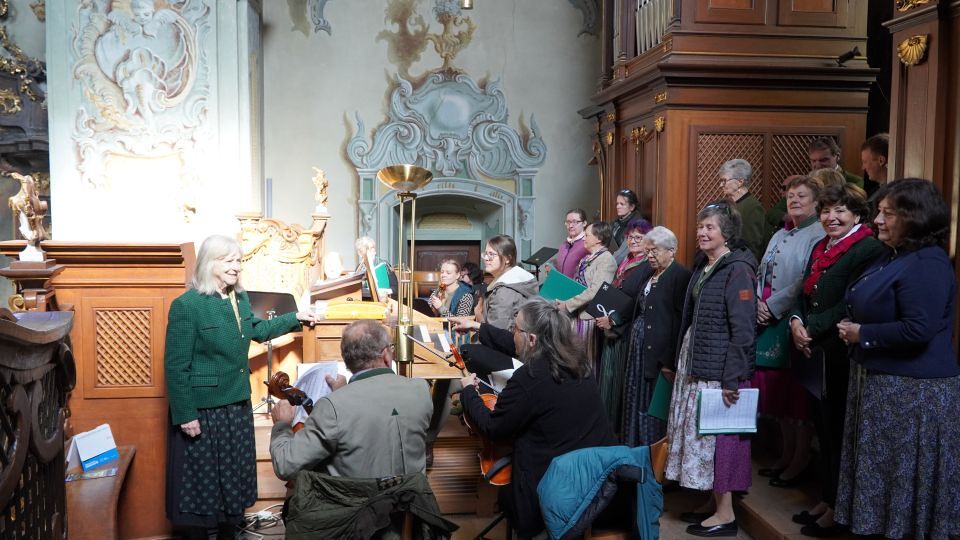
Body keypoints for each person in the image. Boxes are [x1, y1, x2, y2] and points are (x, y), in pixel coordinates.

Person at [164, 235, 318, 540]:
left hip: (236, 403)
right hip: (204, 410)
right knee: (202, 483)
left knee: (233, 478)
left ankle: (229, 532)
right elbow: (176, 366)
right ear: (210, 263)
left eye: (238, 260)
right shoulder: (187, 306)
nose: (236, 266)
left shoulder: (239, 298)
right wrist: (186, 414)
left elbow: (256, 329)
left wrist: (295, 318)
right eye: (229, 261)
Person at [833, 179, 960, 540]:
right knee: (883, 481)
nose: (877, 220)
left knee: (902, 487)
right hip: (885, 387)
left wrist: (863, 333)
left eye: (888, 213)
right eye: (879, 211)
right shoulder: (894, 255)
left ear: (915, 217)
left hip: (913, 394)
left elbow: (919, 329)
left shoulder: (928, 262)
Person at [459, 298, 615, 537]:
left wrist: (469, 391)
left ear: (532, 339)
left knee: (506, 486)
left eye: (515, 329)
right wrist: (478, 327)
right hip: (595, 483)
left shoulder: (529, 377)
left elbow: (493, 428)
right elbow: (516, 345)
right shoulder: (579, 362)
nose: (512, 334)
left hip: (550, 491)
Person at [788, 183, 882, 536]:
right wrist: (796, 321)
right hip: (815, 350)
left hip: (841, 351)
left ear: (857, 214)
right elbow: (804, 291)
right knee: (823, 429)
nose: (832, 217)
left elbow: (851, 301)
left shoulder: (867, 248)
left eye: (840, 210)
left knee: (839, 432)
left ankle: (839, 508)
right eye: (826, 210)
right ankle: (827, 497)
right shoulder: (821, 245)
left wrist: (810, 327)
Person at [665, 202, 757, 538]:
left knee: (718, 442)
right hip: (698, 360)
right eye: (700, 227)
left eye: (710, 228)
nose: (702, 233)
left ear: (726, 233)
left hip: (719, 371)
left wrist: (732, 378)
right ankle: (712, 503)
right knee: (702, 439)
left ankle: (726, 514)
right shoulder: (705, 265)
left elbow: (743, 330)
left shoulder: (738, 270)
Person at [270, 320, 433, 479]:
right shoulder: (421, 390)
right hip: (413, 495)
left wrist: (281, 425)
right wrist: (343, 393)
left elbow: (285, 466)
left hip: (358, 497)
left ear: (347, 361)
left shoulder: (331, 407)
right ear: (386, 355)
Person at [750, 176, 826, 491]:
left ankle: (799, 458)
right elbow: (761, 272)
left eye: (801, 196)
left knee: (795, 396)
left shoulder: (817, 233)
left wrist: (772, 306)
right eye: (790, 195)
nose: (794, 200)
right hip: (765, 316)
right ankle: (785, 453)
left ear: (816, 202)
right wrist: (757, 302)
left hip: (790, 317)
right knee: (777, 394)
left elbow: (803, 281)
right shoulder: (780, 232)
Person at [620, 226, 691, 447]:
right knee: (635, 398)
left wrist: (669, 361)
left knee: (651, 406)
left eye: (655, 251)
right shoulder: (650, 273)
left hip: (659, 354)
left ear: (672, 250)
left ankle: (650, 453)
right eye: (648, 251)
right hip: (639, 349)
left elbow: (680, 322)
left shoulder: (680, 276)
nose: (650, 255)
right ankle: (633, 447)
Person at [594, 218, 652, 433]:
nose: (633, 240)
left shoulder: (647, 266)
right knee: (607, 379)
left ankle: (612, 430)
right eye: (630, 237)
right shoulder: (625, 261)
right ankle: (603, 425)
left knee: (617, 381)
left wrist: (613, 320)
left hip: (624, 328)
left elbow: (636, 300)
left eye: (639, 237)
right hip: (609, 324)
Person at [558, 221, 617, 368]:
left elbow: (596, 290)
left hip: (589, 318)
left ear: (599, 238)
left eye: (587, 235)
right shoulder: (587, 258)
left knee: (586, 361)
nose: (584, 238)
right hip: (577, 314)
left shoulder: (606, 259)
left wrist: (568, 304)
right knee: (573, 358)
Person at [480, 235, 539, 330]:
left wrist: (479, 318)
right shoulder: (511, 281)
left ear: (507, 259)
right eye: (486, 254)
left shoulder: (504, 291)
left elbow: (496, 332)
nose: (486, 258)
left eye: (491, 254)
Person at [719, 159, 766, 261]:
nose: (721, 185)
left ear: (740, 182)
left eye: (724, 181)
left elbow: (751, 247)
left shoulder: (753, 208)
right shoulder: (730, 204)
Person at [552, 208, 588, 278]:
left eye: (575, 222)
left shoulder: (587, 244)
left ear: (584, 223)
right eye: (568, 222)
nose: (570, 226)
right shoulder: (564, 245)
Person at [610, 188, 642, 263]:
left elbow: (622, 255)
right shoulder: (616, 223)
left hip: (624, 264)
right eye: (617, 204)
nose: (618, 206)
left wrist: (606, 263)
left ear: (632, 207)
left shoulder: (637, 225)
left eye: (622, 204)